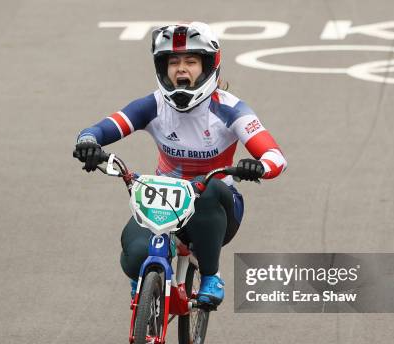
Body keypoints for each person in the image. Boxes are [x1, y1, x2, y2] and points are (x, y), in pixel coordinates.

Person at [73, 22, 287, 307]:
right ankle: (144, 280)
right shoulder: (152, 105)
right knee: (134, 253)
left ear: (209, 65)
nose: (181, 69)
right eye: (173, 62)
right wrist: (88, 142)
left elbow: (275, 156)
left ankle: (211, 275)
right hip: (164, 199)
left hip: (216, 205)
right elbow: (98, 130)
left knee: (208, 191)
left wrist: (259, 166)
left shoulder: (230, 109)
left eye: (191, 61)